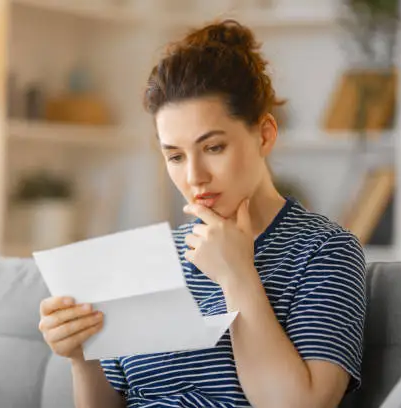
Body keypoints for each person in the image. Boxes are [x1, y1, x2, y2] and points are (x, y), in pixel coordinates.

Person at [38, 19, 367, 408]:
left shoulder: (324, 251)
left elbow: (299, 405)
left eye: (213, 148)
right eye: (175, 156)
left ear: (264, 134)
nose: (194, 177)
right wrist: (82, 356)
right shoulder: (150, 258)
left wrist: (237, 274)